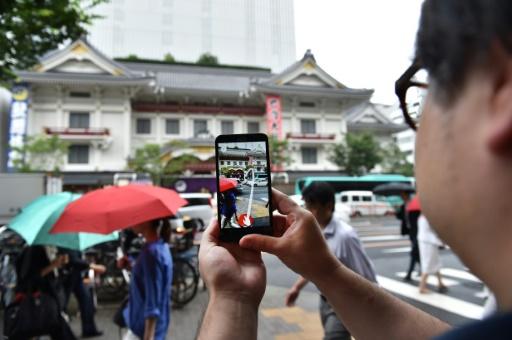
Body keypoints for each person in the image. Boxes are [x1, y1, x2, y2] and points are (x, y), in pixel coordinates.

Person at [285, 182, 377, 340]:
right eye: (306, 205)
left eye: (312, 206)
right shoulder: (314, 231)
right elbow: (317, 266)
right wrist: (296, 288)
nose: (308, 212)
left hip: (346, 303)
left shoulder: (345, 236)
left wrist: (373, 308)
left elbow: (366, 275)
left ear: (328, 206)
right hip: (325, 300)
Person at [120, 218, 173, 340]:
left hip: (143, 331)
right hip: (152, 328)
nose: (130, 221)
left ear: (146, 221)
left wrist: (148, 336)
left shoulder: (151, 254)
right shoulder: (159, 246)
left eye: (135, 216)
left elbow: (152, 302)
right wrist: (133, 265)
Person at [14, 245, 77, 339]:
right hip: (39, 297)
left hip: (50, 296)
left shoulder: (50, 249)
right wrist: (53, 265)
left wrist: (62, 264)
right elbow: (30, 277)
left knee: (57, 327)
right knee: (56, 326)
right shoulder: (33, 250)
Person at [59, 248, 106, 338]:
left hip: (76, 276)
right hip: (66, 277)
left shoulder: (74, 239)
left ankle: (89, 329)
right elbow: (73, 260)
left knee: (87, 302)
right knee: (61, 306)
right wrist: (92, 266)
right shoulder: (66, 239)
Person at [416, 214, 447, 294]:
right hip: (428, 243)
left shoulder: (423, 217)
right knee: (428, 264)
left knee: (435, 263)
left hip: (428, 243)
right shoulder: (427, 218)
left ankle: (440, 283)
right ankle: (422, 287)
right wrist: (440, 242)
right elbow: (429, 232)